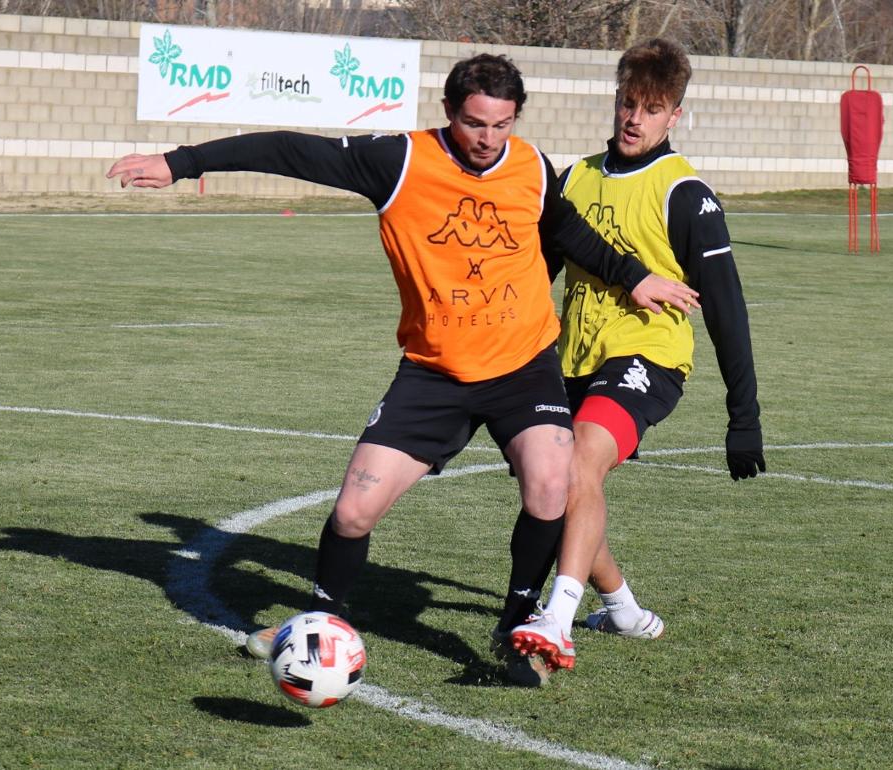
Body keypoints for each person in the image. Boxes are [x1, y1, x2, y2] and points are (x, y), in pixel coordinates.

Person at [106, 53, 699, 686]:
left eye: (502, 124)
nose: (488, 140)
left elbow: (570, 232)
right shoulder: (401, 161)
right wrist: (181, 162)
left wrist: (636, 278)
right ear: (449, 113)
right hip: (434, 374)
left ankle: (517, 625)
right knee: (354, 512)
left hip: (523, 367)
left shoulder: (531, 167)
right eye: (475, 124)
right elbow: (290, 150)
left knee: (551, 483)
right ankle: (325, 622)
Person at [509, 39, 766, 673]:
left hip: (648, 358)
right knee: (554, 485)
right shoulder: (574, 178)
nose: (634, 118)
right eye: (628, 103)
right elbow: (536, 276)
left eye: (651, 109)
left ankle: (557, 621)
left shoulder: (686, 193)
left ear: (674, 115)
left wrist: (745, 415)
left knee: (578, 468)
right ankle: (621, 608)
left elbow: (727, 308)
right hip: (571, 360)